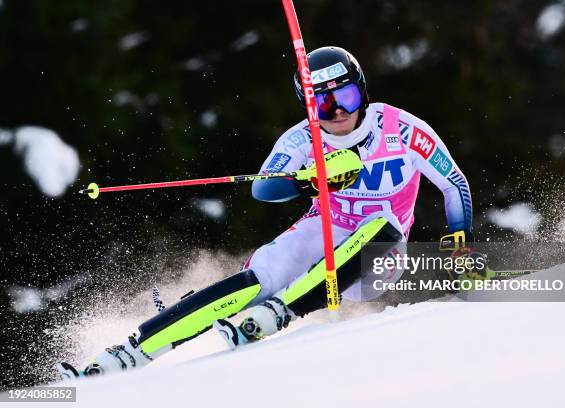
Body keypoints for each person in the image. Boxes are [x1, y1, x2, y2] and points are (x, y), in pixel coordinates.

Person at [57, 46, 473, 378]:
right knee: (271, 267)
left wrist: (460, 236)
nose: (339, 112)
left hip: (379, 258)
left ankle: (279, 312)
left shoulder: (401, 129)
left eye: (346, 96)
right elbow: (262, 187)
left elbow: (453, 182)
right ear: (310, 108)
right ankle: (134, 350)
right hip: (324, 232)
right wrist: (308, 182)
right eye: (324, 106)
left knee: (381, 226)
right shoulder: (302, 139)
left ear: (362, 91)